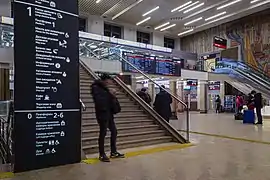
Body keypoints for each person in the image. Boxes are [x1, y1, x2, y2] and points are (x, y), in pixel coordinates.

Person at [91, 73, 124, 162]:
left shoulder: (105, 88)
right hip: (102, 114)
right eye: (109, 80)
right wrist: (109, 94)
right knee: (103, 133)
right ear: (105, 80)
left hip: (109, 114)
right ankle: (102, 154)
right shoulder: (96, 87)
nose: (110, 82)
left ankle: (113, 152)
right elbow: (99, 101)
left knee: (114, 131)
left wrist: (112, 95)